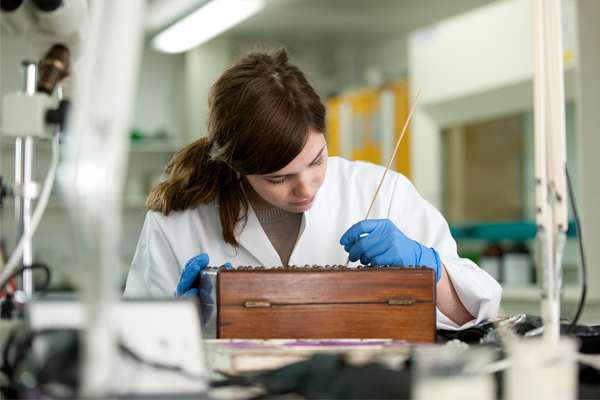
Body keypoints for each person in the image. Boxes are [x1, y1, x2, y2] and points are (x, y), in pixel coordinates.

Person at [123, 48, 501, 330]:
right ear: (237, 169)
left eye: (317, 160)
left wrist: (428, 268)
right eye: (278, 178)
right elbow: (134, 356)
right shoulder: (179, 222)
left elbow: (477, 313)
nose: (305, 187)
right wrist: (176, 327)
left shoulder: (380, 190)